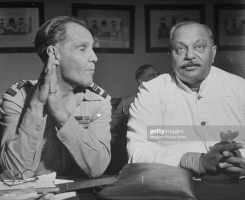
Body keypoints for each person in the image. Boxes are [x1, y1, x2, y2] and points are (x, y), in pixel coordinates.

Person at [127, 21, 245, 178]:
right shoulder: (151, 92)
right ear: (170, 57)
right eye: (180, 49)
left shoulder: (239, 87)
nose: (190, 56)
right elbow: (138, 153)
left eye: (199, 47)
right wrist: (196, 161)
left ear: (214, 53)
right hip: (174, 188)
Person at [0, 16, 111, 178]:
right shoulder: (17, 99)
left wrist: (61, 114)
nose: (94, 57)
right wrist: (36, 105)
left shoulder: (98, 101)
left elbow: (97, 168)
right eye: (82, 48)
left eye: (92, 48)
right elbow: (15, 173)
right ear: (54, 53)